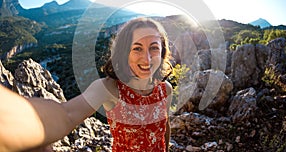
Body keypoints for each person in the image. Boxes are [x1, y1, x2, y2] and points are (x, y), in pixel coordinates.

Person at [0, 17, 173, 152]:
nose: (147, 58)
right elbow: (67, 114)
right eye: (137, 48)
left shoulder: (165, 90)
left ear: (162, 51)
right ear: (124, 52)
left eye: (154, 48)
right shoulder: (109, 88)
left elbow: (164, 128)